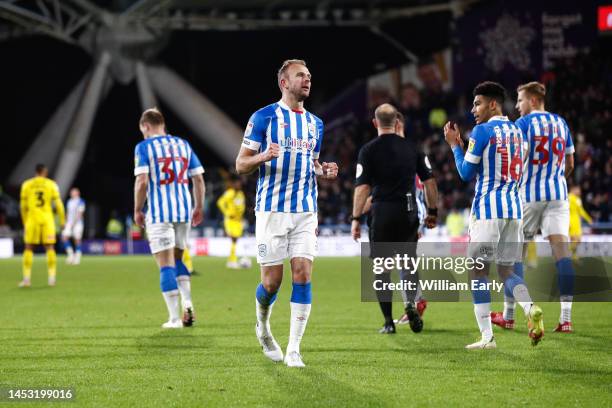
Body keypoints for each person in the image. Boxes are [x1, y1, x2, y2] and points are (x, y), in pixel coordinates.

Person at [235, 59, 338, 368]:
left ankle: (294, 349)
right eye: (300, 76)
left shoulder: (316, 124)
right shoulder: (264, 117)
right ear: (284, 82)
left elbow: (312, 163)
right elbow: (240, 164)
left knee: (303, 274)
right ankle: (263, 328)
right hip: (271, 211)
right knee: (271, 283)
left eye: (309, 75)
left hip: (306, 210)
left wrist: (324, 170)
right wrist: (263, 156)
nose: (307, 80)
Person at [444, 81, 543, 349]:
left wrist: (455, 146)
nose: (473, 109)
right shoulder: (518, 131)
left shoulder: (483, 130)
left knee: (478, 272)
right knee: (508, 271)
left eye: (477, 103)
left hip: (488, 209)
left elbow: (466, 173)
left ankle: (487, 337)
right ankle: (530, 306)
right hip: (514, 209)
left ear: (493, 104)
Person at [491, 81, 577, 334]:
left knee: (513, 255)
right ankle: (566, 319)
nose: (517, 106)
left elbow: (519, 158)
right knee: (562, 253)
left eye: (520, 100)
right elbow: (570, 162)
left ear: (533, 100)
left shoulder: (524, 125)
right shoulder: (561, 123)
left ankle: (509, 315)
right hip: (558, 195)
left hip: (528, 196)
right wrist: (556, 180)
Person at [351, 103, 438, 335]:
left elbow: (362, 188)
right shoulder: (413, 148)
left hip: (381, 213)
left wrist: (355, 218)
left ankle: (388, 322)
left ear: (375, 123)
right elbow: (429, 182)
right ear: (396, 123)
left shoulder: (368, 151)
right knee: (408, 264)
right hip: (407, 211)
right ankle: (410, 302)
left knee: (382, 270)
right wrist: (432, 212)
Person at [133, 108, 205, 329]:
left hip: (159, 214)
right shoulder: (183, 144)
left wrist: (137, 208)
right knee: (178, 260)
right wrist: (199, 207)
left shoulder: (144, 147)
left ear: (146, 126)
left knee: (165, 265)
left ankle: (174, 318)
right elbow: (199, 180)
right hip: (183, 212)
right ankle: (188, 302)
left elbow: (143, 181)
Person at [19, 164, 65, 287]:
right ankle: (51, 278)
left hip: (32, 219)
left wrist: (25, 222)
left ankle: (27, 279)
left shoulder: (26, 184)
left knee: (28, 248)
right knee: (50, 247)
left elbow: (23, 206)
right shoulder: (51, 184)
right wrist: (62, 221)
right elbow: (59, 205)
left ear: (36, 172)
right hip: (47, 220)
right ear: (44, 172)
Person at [217, 174, 246, 269]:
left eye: (240, 184)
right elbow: (220, 202)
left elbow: (242, 206)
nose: (239, 185)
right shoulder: (229, 193)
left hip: (238, 221)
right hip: (230, 220)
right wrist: (226, 212)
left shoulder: (241, 194)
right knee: (233, 238)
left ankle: (231, 260)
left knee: (236, 240)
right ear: (234, 184)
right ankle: (232, 261)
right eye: (237, 184)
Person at [568, 185, 592, 261]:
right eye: (578, 189)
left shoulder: (577, 199)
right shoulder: (568, 198)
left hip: (577, 222)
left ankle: (570, 253)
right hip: (570, 221)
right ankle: (572, 255)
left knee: (578, 240)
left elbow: (581, 211)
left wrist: (588, 219)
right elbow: (565, 210)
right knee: (574, 239)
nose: (580, 191)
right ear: (573, 189)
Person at [62, 187, 85, 265]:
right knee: (64, 237)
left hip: (78, 223)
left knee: (77, 240)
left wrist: (74, 223)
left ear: (77, 193)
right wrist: (65, 222)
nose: (71, 193)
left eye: (73, 192)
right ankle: (70, 255)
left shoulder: (80, 201)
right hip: (69, 223)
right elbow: (68, 213)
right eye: (71, 192)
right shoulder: (69, 201)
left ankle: (77, 257)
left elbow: (80, 214)